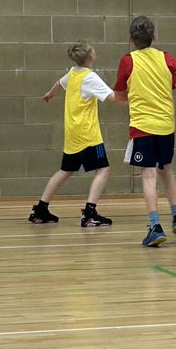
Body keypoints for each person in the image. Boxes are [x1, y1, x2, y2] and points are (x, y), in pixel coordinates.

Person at [113, 16, 176, 247]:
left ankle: (155, 226)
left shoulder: (128, 61)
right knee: (167, 172)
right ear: (154, 37)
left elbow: (119, 96)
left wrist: (131, 97)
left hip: (142, 127)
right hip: (166, 127)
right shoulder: (167, 59)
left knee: (148, 175)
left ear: (130, 39)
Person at [28, 41, 120, 227]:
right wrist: (138, 97)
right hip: (88, 135)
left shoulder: (73, 73)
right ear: (90, 56)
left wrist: (50, 94)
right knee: (103, 169)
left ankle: (40, 209)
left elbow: (58, 84)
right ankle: (89, 214)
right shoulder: (89, 77)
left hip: (72, 133)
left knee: (66, 170)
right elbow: (114, 99)